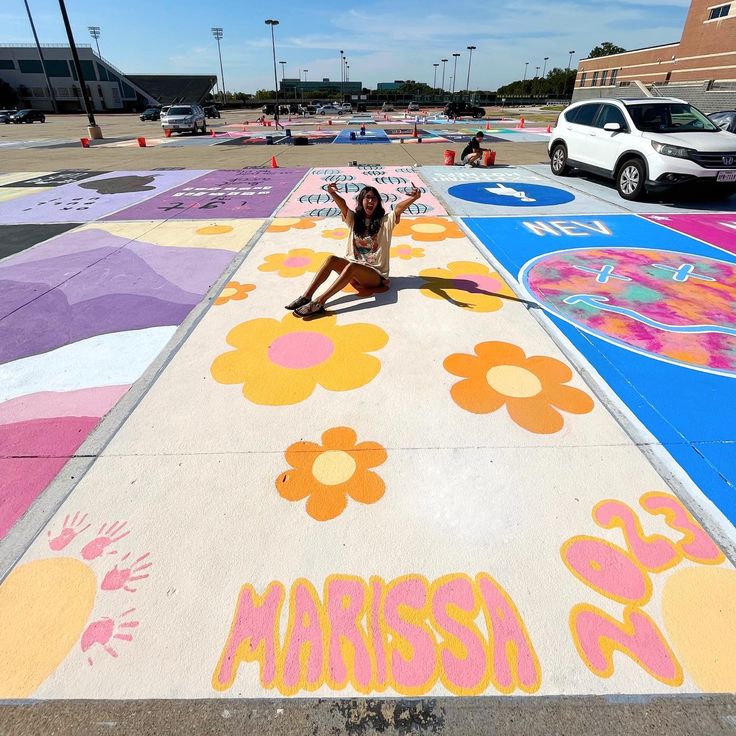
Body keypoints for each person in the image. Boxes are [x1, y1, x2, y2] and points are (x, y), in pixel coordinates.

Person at [285, 183, 422, 317]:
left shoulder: (385, 221)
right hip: (353, 272)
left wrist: (414, 198)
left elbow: (398, 208)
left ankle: (319, 302)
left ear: (378, 203)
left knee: (352, 266)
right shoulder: (354, 220)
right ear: (361, 201)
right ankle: (306, 296)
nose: (370, 201)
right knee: (331, 259)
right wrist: (332, 192)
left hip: (374, 274)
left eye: (374, 198)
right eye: (367, 197)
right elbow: (343, 205)